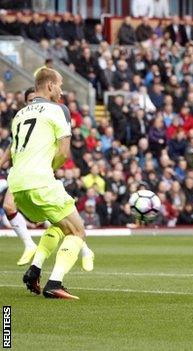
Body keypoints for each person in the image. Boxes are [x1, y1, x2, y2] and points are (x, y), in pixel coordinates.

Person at [17, 68, 94, 299]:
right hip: (40, 180)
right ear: (50, 85)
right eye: (59, 84)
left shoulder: (20, 114)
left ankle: (34, 270)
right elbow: (63, 152)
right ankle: (55, 283)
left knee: (60, 226)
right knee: (78, 231)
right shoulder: (57, 110)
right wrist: (50, 168)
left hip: (18, 185)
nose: (61, 90)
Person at [0, 87, 94, 269]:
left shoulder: (50, 116)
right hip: (23, 172)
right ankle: (31, 247)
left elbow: (62, 148)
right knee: (10, 206)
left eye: (34, 99)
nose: (32, 103)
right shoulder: (22, 118)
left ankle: (83, 249)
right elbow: (14, 144)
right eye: (29, 100)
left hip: (40, 173)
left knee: (60, 221)